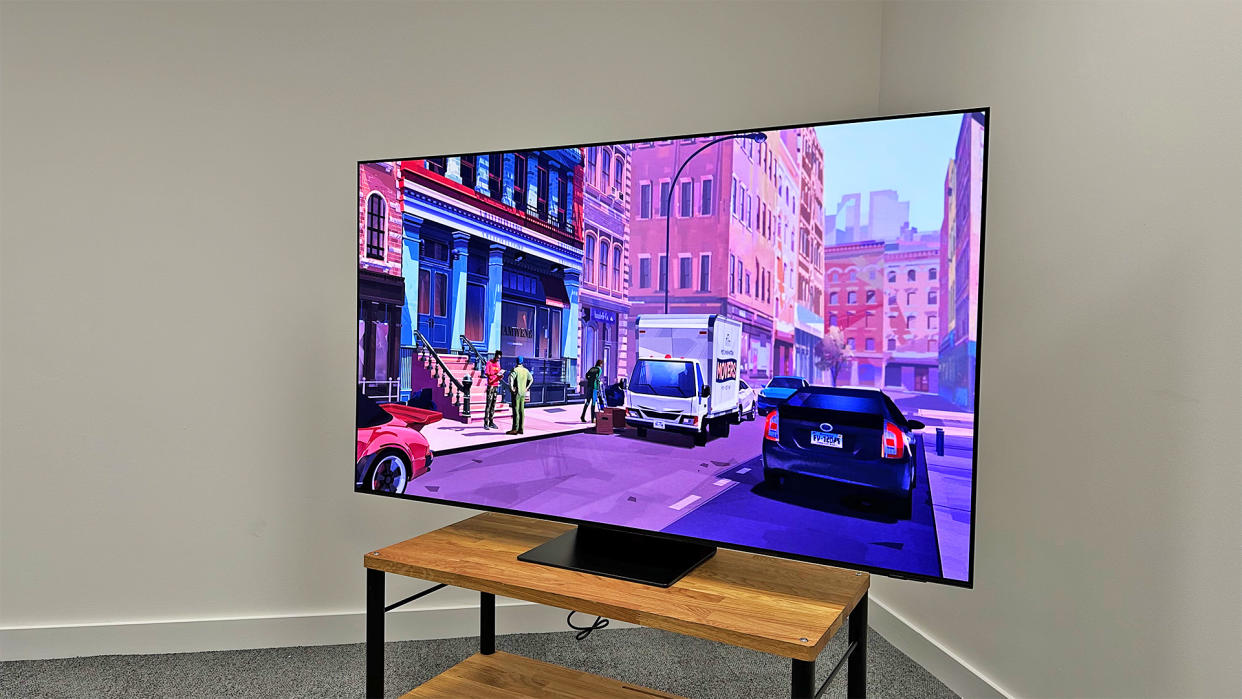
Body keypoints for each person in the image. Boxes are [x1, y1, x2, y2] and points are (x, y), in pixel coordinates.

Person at [506, 356, 533, 435]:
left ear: (516, 362)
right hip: (523, 393)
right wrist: (526, 388)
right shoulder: (526, 370)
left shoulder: (515, 370)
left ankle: (515, 429)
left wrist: (511, 388)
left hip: (516, 392)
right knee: (521, 410)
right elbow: (531, 379)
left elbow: (511, 379)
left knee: (516, 410)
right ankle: (521, 429)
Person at [482, 350, 504, 430]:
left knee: (493, 404)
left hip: (496, 385)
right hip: (490, 385)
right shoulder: (489, 363)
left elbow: (499, 374)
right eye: (497, 357)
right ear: (495, 356)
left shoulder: (498, 364)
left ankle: (491, 422)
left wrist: (500, 375)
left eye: (499, 358)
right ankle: (486, 423)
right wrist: (494, 375)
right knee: (488, 404)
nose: (498, 359)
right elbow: (486, 373)